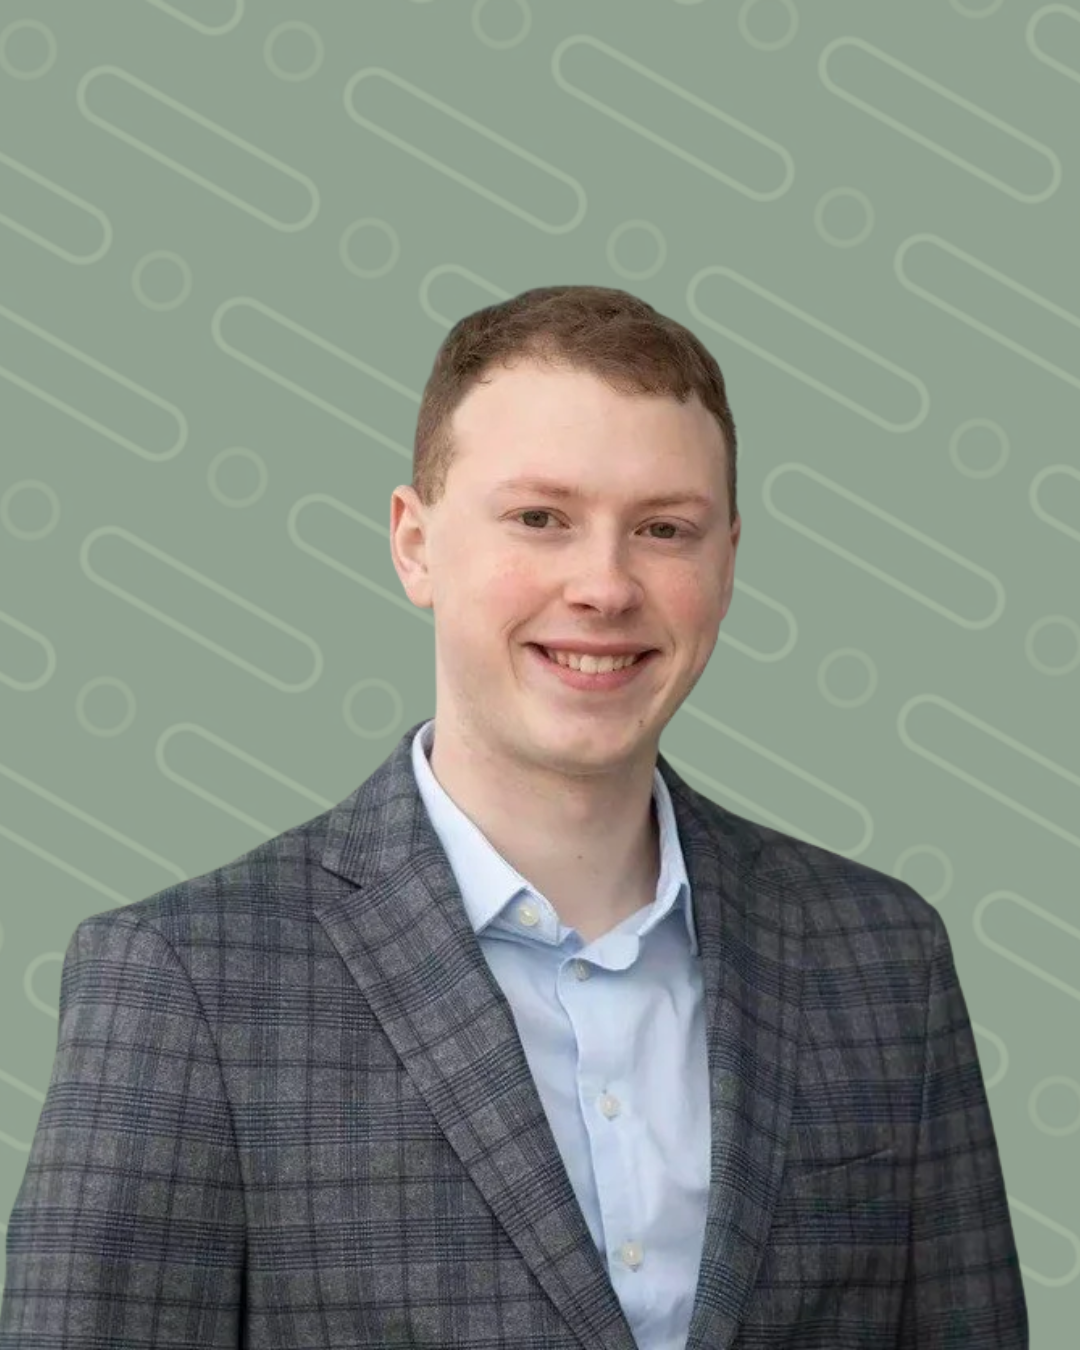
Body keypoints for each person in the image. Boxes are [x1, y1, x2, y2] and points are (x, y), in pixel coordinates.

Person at [0, 286, 1028, 1348]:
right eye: (541, 519)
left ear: (727, 560)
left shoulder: (883, 956)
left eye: (664, 529)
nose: (605, 586)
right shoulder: (185, 979)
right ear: (415, 545)